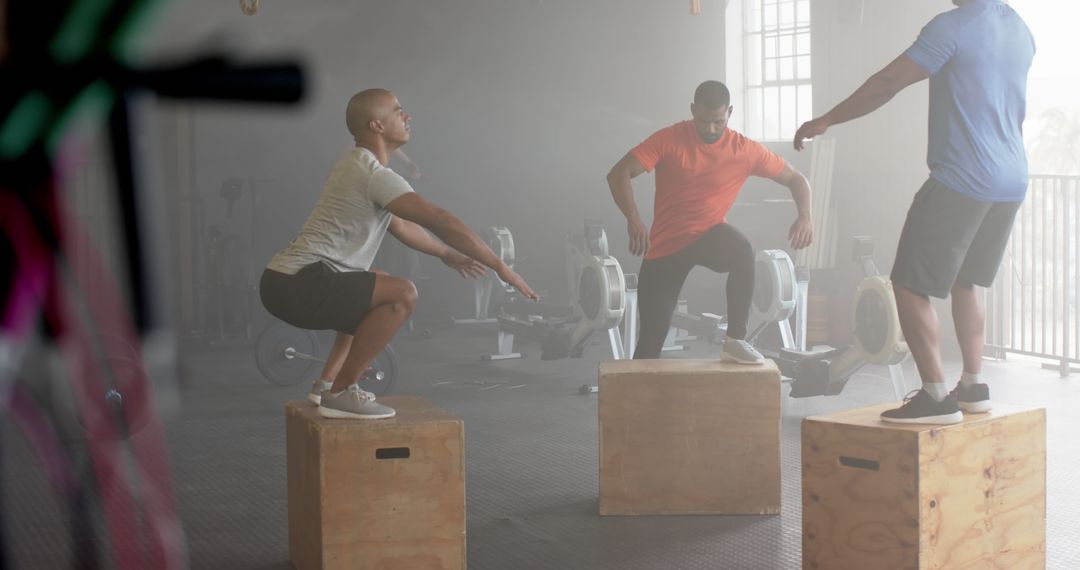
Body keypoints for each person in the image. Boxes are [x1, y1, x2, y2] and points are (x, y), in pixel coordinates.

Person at [794, 0, 1035, 424]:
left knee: (906, 285)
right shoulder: (1018, 28)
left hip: (963, 178)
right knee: (968, 281)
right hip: (1012, 179)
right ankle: (974, 386)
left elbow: (889, 82)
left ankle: (936, 396)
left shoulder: (951, 27)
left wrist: (828, 119)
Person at [260, 88, 537, 419]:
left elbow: (403, 227)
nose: (407, 117)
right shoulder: (371, 173)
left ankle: (326, 385)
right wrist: (500, 267)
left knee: (376, 283)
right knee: (402, 294)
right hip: (298, 283)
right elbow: (440, 219)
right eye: (398, 111)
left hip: (285, 282)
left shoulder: (358, 167)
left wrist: (446, 254)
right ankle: (342, 393)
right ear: (377, 125)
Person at [607, 80, 814, 363]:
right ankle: (636, 404)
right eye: (703, 121)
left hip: (708, 235)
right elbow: (618, 174)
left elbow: (795, 178)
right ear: (693, 110)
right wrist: (633, 219)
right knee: (650, 342)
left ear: (730, 112)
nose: (711, 129)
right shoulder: (669, 139)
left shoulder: (744, 149)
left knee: (742, 249)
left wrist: (805, 216)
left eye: (718, 122)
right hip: (665, 247)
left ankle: (735, 340)